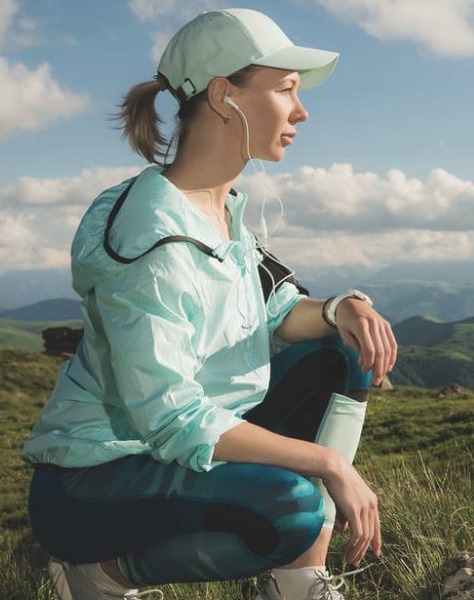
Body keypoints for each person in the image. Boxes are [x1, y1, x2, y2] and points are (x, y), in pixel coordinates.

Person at [20, 8, 397, 600]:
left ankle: (299, 579)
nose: (301, 111)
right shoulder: (155, 238)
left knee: (342, 354)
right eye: (285, 90)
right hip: (96, 481)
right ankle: (98, 575)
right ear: (225, 96)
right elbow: (172, 418)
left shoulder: (221, 212)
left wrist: (339, 311)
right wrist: (328, 465)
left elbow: (277, 309)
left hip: (175, 451)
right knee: (293, 504)